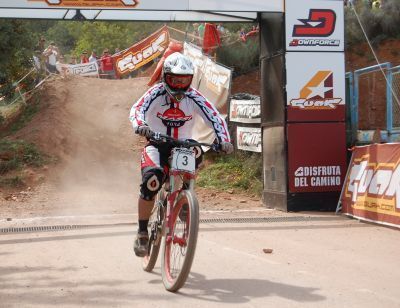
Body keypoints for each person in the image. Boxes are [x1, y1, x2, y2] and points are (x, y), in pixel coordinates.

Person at [129, 52, 233, 257]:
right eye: (174, 80)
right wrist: (140, 125)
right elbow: (137, 109)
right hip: (157, 143)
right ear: (165, 77)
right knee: (152, 181)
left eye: (184, 80)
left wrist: (224, 140)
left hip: (184, 144)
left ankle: (185, 195)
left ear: (191, 80)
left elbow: (215, 117)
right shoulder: (155, 93)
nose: (178, 85)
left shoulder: (194, 96)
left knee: (196, 151)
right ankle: (142, 231)